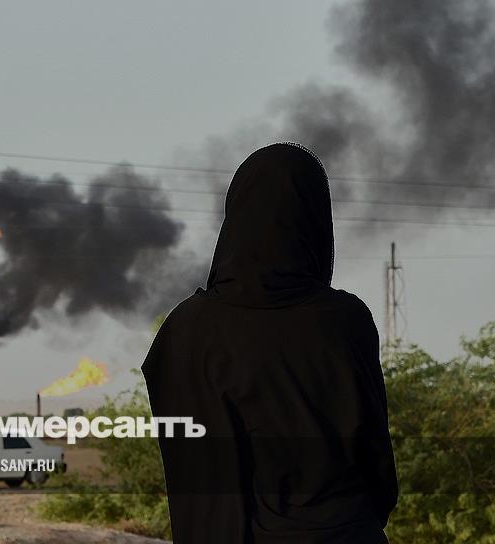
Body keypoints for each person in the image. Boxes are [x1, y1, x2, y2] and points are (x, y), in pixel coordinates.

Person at [142, 142, 398, 543]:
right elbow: (377, 463)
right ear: (315, 221)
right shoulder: (347, 320)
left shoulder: (188, 332)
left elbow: (196, 481)